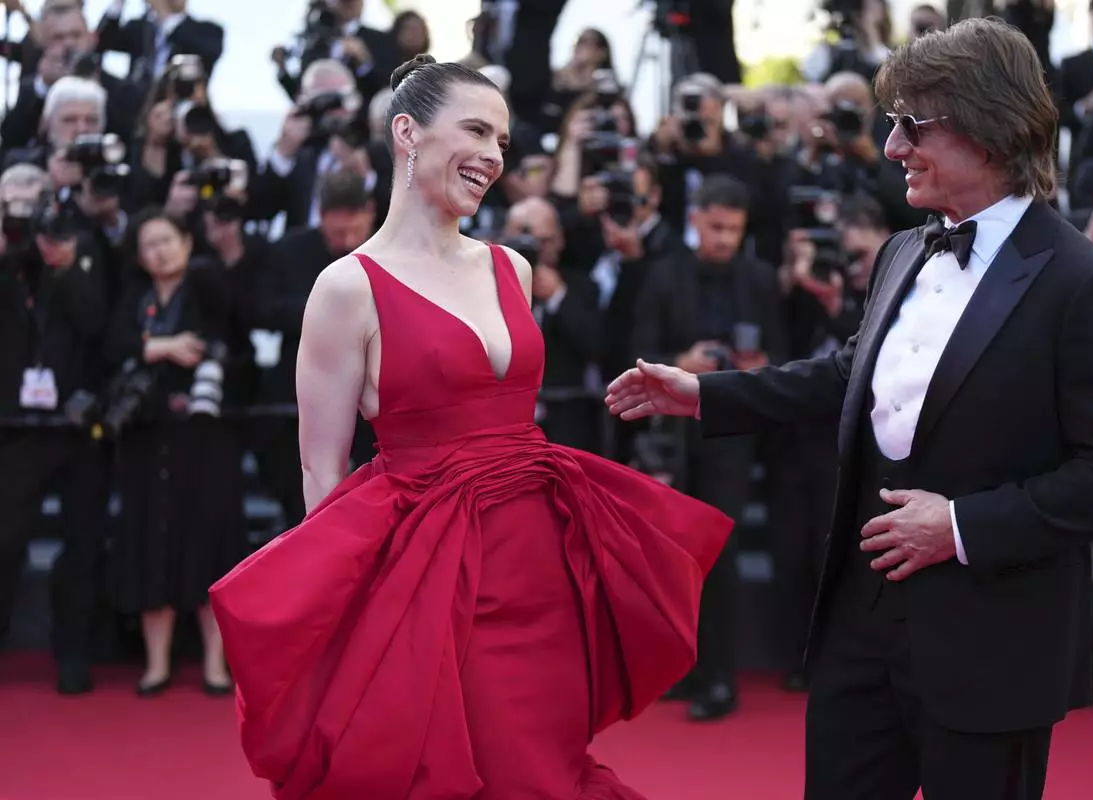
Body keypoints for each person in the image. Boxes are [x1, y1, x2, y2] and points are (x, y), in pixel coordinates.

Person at [608, 19, 1093, 800]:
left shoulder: (1087, 285)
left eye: (911, 125)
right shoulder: (905, 248)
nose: (891, 146)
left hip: (990, 643)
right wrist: (708, 395)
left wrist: (961, 527)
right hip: (859, 630)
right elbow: (852, 375)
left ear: (991, 131)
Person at [208, 54, 733, 799]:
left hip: (543, 559)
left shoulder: (510, 269)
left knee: (546, 761)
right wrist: (346, 623)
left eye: (504, 142)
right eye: (477, 130)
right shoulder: (346, 287)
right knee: (482, 768)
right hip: (434, 577)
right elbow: (322, 472)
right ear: (407, 133)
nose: (493, 155)